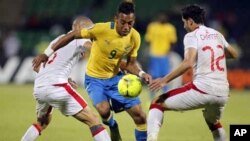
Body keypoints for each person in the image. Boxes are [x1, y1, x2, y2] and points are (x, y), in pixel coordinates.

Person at [32, 1, 152, 141]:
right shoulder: (100, 29)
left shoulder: (134, 37)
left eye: (130, 23)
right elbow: (72, 35)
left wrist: (142, 73)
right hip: (95, 80)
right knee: (104, 111)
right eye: (123, 22)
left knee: (140, 115)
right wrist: (46, 54)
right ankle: (112, 125)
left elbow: (131, 64)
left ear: (134, 21)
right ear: (116, 19)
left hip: (116, 79)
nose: (126, 27)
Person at [147, 4, 238, 141]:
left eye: (184, 22)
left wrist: (164, 80)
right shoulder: (217, 34)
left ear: (190, 21)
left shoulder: (192, 35)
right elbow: (234, 54)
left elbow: (188, 62)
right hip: (223, 93)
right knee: (213, 122)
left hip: (202, 90)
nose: (184, 26)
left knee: (156, 102)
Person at [21, 17, 111, 141]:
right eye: (90, 29)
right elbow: (94, 48)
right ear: (81, 28)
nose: (91, 33)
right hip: (57, 87)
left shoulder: (58, 39)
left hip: (39, 87)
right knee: (94, 120)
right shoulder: (80, 38)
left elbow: (42, 66)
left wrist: (65, 78)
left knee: (42, 123)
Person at [145, 12, 177, 100]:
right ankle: (152, 97)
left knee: (165, 76)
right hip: (154, 54)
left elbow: (173, 42)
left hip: (164, 55)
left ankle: (165, 96)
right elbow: (148, 40)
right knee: (153, 76)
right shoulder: (152, 26)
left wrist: (169, 52)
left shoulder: (170, 28)